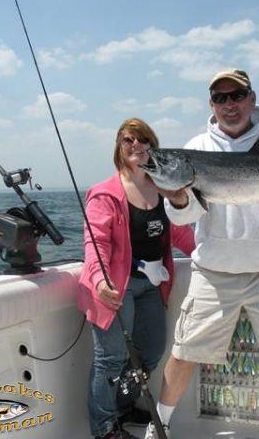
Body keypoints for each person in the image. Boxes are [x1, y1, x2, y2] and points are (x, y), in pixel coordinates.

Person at [146, 69, 259, 439]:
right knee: (184, 352)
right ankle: (159, 426)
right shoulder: (197, 146)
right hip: (213, 272)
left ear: (251, 98)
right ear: (211, 104)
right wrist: (179, 199)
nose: (229, 104)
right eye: (220, 98)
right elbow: (184, 216)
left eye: (236, 96)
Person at [78, 118, 195, 439]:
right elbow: (95, 242)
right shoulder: (104, 193)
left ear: (153, 148)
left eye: (144, 140)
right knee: (111, 359)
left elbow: (182, 234)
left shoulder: (163, 190)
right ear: (119, 147)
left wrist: (212, 255)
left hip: (151, 286)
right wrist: (100, 280)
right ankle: (105, 428)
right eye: (128, 140)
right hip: (115, 287)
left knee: (152, 351)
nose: (136, 146)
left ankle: (123, 404)